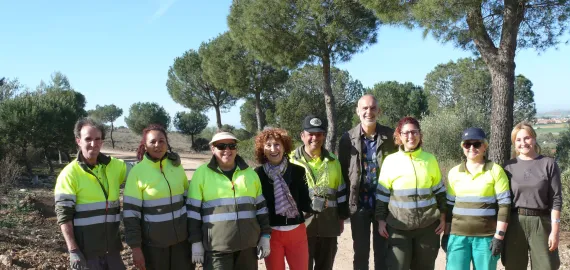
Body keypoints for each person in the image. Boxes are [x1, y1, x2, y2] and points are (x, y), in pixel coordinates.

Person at [187, 131, 272, 270]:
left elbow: (261, 209)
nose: (227, 150)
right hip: (217, 250)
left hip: (247, 248)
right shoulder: (201, 174)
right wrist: (195, 242)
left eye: (231, 145)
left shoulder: (250, 174)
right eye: (221, 146)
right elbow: (193, 213)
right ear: (212, 149)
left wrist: (265, 236)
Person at [54, 118, 128, 269]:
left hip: (112, 250)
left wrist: (166, 159)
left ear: (102, 141)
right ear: (78, 141)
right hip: (86, 254)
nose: (93, 144)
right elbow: (64, 216)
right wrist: (73, 250)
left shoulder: (114, 166)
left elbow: (141, 172)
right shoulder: (69, 174)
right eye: (88, 139)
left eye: (97, 139)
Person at [375, 116, 446, 270]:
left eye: (414, 132)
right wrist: (380, 220)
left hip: (428, 227)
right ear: (399, 136)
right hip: (398, 227)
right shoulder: (390, 161)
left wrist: (443, 216)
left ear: (420, 135)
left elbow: (440, 192)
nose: (410, 136)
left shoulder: (430, 160)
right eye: (406, 133)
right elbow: (382, 195)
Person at [122, 124, 193, 270]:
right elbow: (131, 215)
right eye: (152, 142)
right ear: (145, 146)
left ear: (167, 143)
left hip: (182, 244)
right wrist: (136, 248)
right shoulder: (137, 172)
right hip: (153, 247)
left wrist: (194, 239)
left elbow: (189, 202)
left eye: (161, 141)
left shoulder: (176, 167)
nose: (157, 145)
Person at [338, 94, 396, 270]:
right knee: (361, 254)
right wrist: (342, 210)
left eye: (372, 108)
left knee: (383, 254)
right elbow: (342, 173)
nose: (368, 112)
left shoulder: (390, 136)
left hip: (384, 206)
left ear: (378, 111)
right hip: (359, 205)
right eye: (364, 108)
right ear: (358, 111)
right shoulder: (347, 138)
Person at [442, 127, 511, 270]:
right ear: (463, 147)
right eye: (467, 144)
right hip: (457, 237)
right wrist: (446, 234)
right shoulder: (454, 172)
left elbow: (504, 206)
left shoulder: (496, 170)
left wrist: (499, 237)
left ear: (485, 146)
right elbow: (449, 206)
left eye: (477, 144)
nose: (472, 148)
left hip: (486, 238)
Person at [289, 115, 349, 270]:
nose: (315, 138)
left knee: (325, 267)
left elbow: (341, 192)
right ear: (302, 136)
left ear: (324, 136)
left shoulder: (334, 161)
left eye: (319, 134)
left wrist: (341, 218)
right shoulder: (290, 161)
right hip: (300, 227)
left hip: (328, 226)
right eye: (310, 134)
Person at [502, 122, 562, 269]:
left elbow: (556, 200)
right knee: (513, 266)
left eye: (527, 138)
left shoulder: (549, 164)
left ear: (534, 139)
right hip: (515, 223)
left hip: (541, 223)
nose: (523, 143)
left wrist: (555, 232)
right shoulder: (508, 167)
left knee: (546, 266)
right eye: (518, 140)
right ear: (514, 143)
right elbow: (503, 201)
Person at [254, 128, 313, 270]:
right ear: (263, 149)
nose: (273, 149)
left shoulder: (298, 171)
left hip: (297, 233)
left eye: (277, 144)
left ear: (285, 146)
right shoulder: (258, 174)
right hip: (271, 234)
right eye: (268, 145)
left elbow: (305, 203)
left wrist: (317, 204)